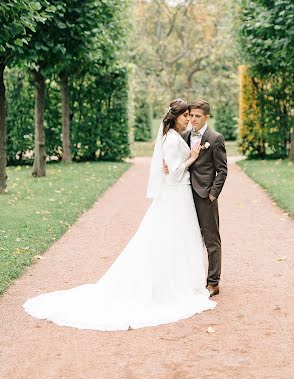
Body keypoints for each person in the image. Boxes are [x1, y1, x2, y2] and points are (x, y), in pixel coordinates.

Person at [22, 99, 216, 331]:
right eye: (185, 115)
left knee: (178, 239)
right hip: (176, 196)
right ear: (175, 117)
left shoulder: (175, 137)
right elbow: (174, 174)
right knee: (174, 239)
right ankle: (175, 286)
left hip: (179, 197)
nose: (188, 119)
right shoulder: (172, 140)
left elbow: (172, 167)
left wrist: (183, 161)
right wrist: (193, 157)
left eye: (190, 115)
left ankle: (181, 282)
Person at [165, 99, 228, 297]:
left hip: (204, 196)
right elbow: (177, 159)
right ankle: (188, 280)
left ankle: (213, 282)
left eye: (197, 116)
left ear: (206, 117)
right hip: (184, 194)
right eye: (190, 115)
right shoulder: (183, 135)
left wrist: (212, 194)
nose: (192, 119)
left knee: (211, 239)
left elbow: (222, 171)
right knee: (189, 238)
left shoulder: (215, 138)